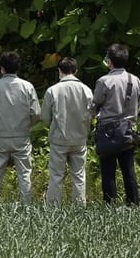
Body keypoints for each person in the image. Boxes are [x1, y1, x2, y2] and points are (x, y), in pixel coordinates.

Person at [0, 50, 40, 203]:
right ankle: (26, 205)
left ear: (2, 68)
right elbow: (35, 112)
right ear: (18, 67)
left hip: (0, 135)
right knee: (24, 173)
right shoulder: (27, 86)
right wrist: (28, 125)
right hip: (21, 135)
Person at [90, 43, 140, 205]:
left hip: (108, 131)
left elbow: (95, 105)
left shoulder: (104, 81)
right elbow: (138, 102)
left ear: (109, 61)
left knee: (108, 172)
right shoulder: (135, 80)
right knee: (128, 171)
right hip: (128, 130)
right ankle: (133, 204)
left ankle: (110, 205)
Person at [41, 56, 93, 204]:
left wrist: (55, 125)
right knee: (79, 176)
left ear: (59, 71)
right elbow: (92, 114)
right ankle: (79, 207)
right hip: (80, 138)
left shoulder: (53, 90)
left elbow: (45, 117)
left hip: (59, 138)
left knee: (56, 176)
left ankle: (53, 208)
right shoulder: (86, 90)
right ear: (75, 71)